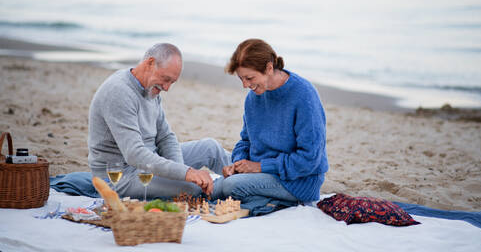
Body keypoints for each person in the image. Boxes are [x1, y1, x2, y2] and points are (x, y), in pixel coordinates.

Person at [88, 43, 231, 200]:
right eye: (166, 79)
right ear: (150, 63)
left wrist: (180, 171)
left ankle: (250, 177)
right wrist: (187, 174)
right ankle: (239, 188)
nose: (167, 88)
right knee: (192, 188)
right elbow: (135, 155)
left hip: (151, 163)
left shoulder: (151, 88)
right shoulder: (119, 92)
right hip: (120, 176)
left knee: (210, 148)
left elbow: (166, 137)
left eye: (172, 82)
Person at [211, 38, 328, 215]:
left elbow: (310, 159)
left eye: (249, 78)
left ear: (269, 68)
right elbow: (245, 141)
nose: (245, 85)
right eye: (241, 79)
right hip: (260, 174)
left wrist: (259, 166)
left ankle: (276, 203)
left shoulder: (303, 95)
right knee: (214, 184)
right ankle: (267, 201)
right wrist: (237, 164)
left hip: (297, 180)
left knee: (228, 186)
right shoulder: (253, 97)